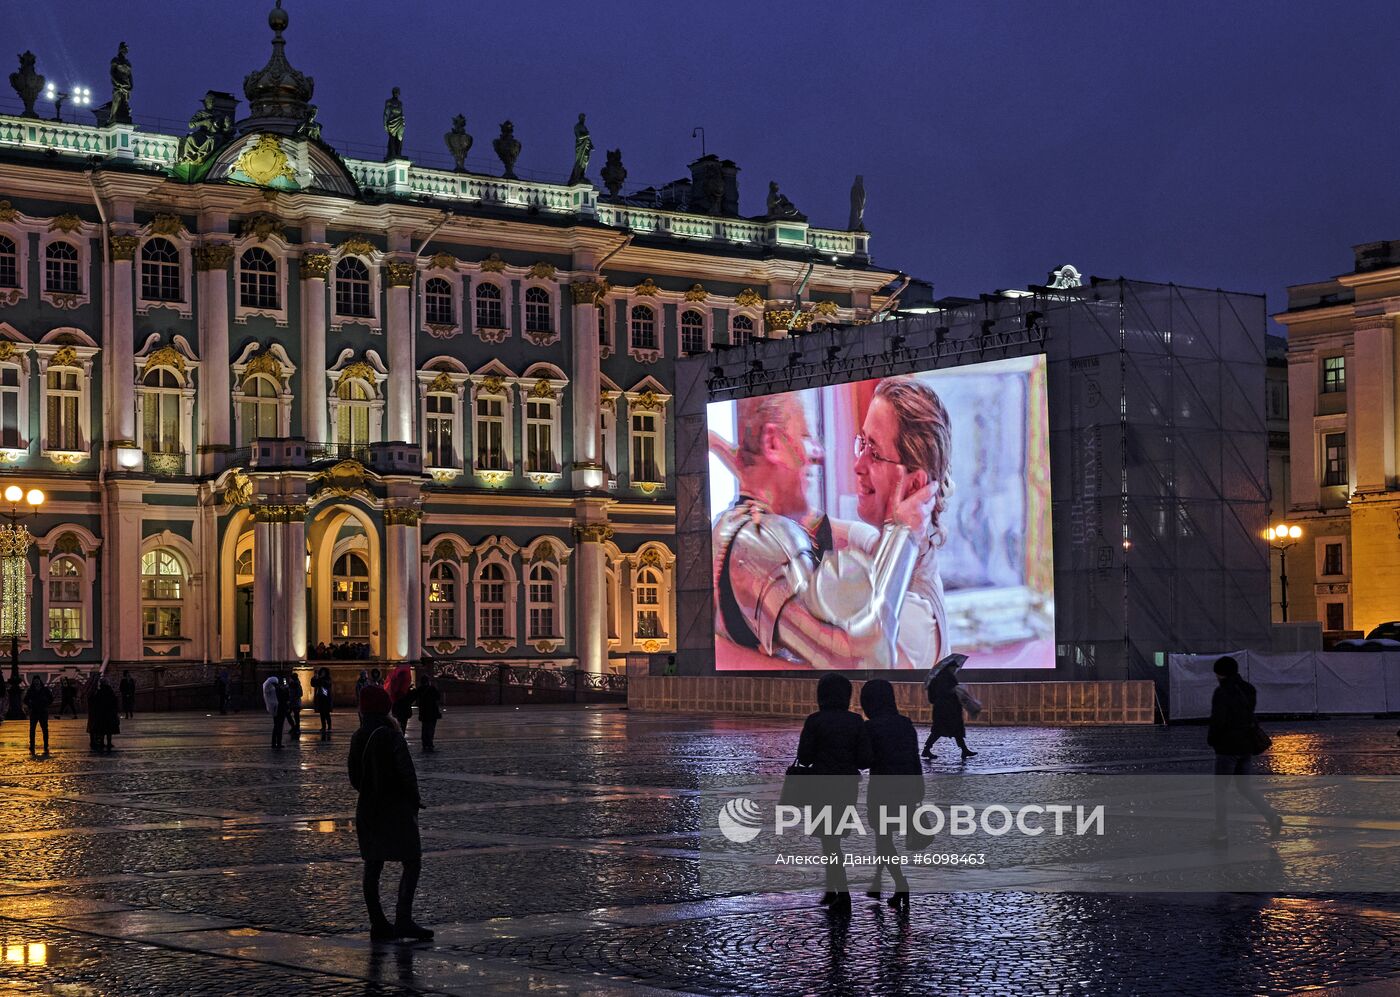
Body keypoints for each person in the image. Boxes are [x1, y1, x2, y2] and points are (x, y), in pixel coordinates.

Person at [711, 393, 935, 670]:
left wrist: (724, 449)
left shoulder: (918, 617)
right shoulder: (765, 538)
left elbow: (861, 661)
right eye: (805, 436)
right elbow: (866, 658)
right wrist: (902, 533)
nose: (817, 453)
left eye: (874, 452)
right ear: (772, 443)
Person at [348, 686, 431, 941]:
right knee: (412, 861)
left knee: (373, 865)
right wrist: (414, 800)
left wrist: (370, 789)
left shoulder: (359, 735)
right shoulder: (392, 735)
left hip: (368, 808)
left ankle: (378, 923)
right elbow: (407, 772)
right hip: (395, 808)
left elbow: (354, 777)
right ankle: (403, 919)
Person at [795, 674, 872, 915]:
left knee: (829, 841)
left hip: (821, 784)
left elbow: (805, 757)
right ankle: (833, 889)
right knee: (833, 839)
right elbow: (864, 759)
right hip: (847, 785)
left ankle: (842, 894)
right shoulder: (856, 721)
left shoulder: (815, 721)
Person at [860, 679, 922, 909]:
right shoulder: (905, 724)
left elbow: (865, 760)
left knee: (883, 838)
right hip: (906, 787)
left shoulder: (871, 727)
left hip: (882, 788)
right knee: (884, 839)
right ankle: (878, 881)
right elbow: (915, 758)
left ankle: (898, 883)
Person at [1208, 656, 1281, 842]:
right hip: (1246, 745)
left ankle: (1221, 831)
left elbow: (1218, 721)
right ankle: (1271, 816)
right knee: (1245, 787)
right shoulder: (1249, 689)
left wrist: (1213, 740)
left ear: (1220, 673)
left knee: (1220, 790)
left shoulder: (1222, 692)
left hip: (1227, 747)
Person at [923, 654, 976, 759]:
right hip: (947, 709)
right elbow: (945, 692)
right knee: (941, 730)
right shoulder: (946, 678)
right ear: (949, 668)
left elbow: (932, 697)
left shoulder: (937, 678)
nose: (955, 670)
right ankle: (926, 749)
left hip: (942, 708)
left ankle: (964, 750)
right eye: (954, 668)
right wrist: (954, 690)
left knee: (950, 730)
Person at [24, 675, 53, 757]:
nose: (36, 682)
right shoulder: (31, 690)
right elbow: (25, 700)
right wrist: (31, 705)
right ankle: (32, 746)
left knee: (44, 729)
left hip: (43, 711)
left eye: (37, 680)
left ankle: (45, 745)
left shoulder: (44, 690)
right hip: (34, 712)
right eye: (35, 681)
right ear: (33, 682)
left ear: (39, 681)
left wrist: (46, 704)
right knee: (32, 729)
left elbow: (51, 698)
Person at [90, 677, 120, 753]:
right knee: (109, 730)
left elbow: (95, 702)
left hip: (101, 714)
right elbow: (115, 702)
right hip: (110, 713)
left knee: (102, 729)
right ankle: (109, 743)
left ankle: (102, 742)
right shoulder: (110, 691)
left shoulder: (99, 692)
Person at [386, 663, 415, 738]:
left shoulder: (395, 687)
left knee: (399, 724)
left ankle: (400, 736)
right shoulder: (404, 691)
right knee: (402, 725)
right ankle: (401, 736)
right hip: (403, 711)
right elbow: (411, 699)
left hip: (398, 710)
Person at [416, 676, 442, 752]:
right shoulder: (432, 688)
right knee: (431, 728)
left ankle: (424, 743)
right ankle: (430, 743)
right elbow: (438, 697)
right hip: (432, 712)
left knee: (424, 728)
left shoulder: (419, 689)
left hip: (423, 712)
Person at [264, 671, 288, 749]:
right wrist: (285, 689)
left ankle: (274, 743)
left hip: (275, 710)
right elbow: (284, 697)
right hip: (281, 708)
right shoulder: (277, 689)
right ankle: (279, 743)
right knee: (279, 726)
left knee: (276, 726)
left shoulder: (269, 689)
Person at [313, 667, 334, 739]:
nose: (322, 673)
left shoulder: (327, 679)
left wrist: (320, 679)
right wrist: (315, 677)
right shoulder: (319, 679)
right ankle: (323, 726)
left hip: (326, 698)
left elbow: (327, 684)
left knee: (327, 713)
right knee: (322, 713)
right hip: (320, 697)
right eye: (321, 672)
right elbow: (313, 684)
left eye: (324, 672)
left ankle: (329, 726)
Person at [287, 670, 304, 740]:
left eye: (290, 678)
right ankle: (294, 727)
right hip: (291, 702)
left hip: (295, 703)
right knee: (289, 714)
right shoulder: (291, 684)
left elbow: (300, 694)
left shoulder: (296, 684)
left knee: (296, 715)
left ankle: (296, 728)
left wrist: (292, 699)